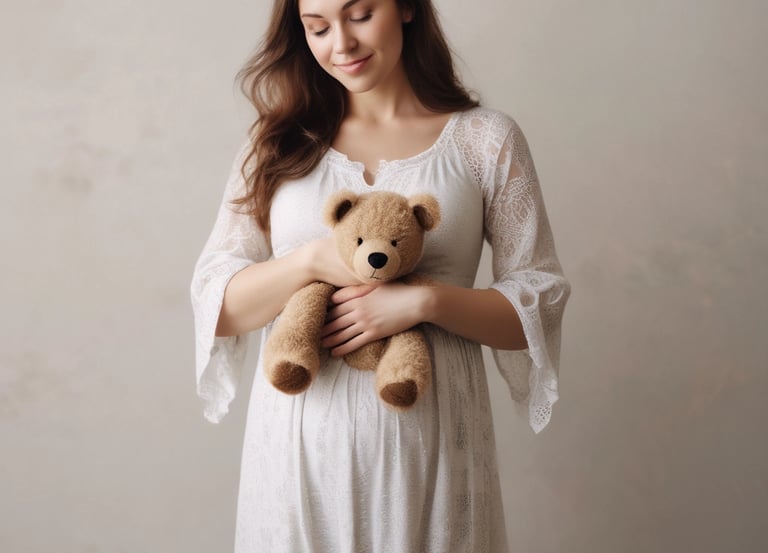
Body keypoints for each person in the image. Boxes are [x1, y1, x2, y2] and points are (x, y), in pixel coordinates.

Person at [190, 0, 570, 551]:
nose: (340, 44)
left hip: (435, 452)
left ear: (408, 8)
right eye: (316, 27)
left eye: (361, 14)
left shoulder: (485, 140)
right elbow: (218, 307)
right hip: (298, 464)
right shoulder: (277, 142)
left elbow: (538, 302)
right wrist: (312, 262)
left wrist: (423, 303)